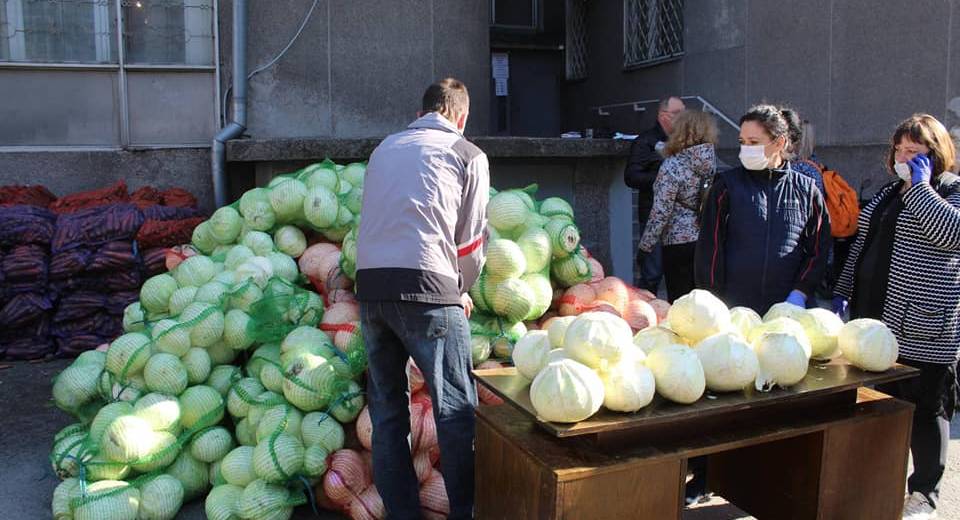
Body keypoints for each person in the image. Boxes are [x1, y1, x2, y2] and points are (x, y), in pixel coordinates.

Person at [355, 78, 489, 520]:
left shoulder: (383, 149)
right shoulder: (468, 154)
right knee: (455, 412)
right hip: (428, 290)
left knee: (388, 412)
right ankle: (465, 512)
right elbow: (469, 246)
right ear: (461, 118)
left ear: (421, 115)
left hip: (372, 289)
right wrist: (459, 291)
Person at [832, 114, 960, 519]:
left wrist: (921, 188)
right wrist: (841, 291)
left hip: (924, 324)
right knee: (879, 404)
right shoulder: (889, 191)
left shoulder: (950, 191)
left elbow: (950, 234)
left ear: (935, 156)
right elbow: (862, 245)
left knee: (927, 409)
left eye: (915, 152)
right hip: (875, 319)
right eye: (899, 150)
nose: (903, 157)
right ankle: (878, 484)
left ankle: (924, 493)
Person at [694, 104, 831, 314]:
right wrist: (713, 301)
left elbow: (818, 250)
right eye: (742, 142)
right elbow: (709, 250)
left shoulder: (806, 190)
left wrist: (800, 293)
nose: (746, 148)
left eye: (754, 142)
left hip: (788, 310)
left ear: (779, 143)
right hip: (735, 310)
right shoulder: (726, 187)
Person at [638, 110, 718, 303]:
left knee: (681, 303)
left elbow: (661, 211)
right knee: (704, 301)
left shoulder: (672, 166)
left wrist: (645, 246)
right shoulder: (710, 161)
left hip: (677, 243)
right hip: (705, 240)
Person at [625, 96, 686, 294]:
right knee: (652, 274)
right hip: (654, 217)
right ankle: (644, 316)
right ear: (663, 116)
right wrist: (664, 177)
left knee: (678, 275)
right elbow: (631, 177)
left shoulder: (685, 141)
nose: (683, 117)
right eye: (678, 113)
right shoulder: (645, 142)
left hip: (681, 220)